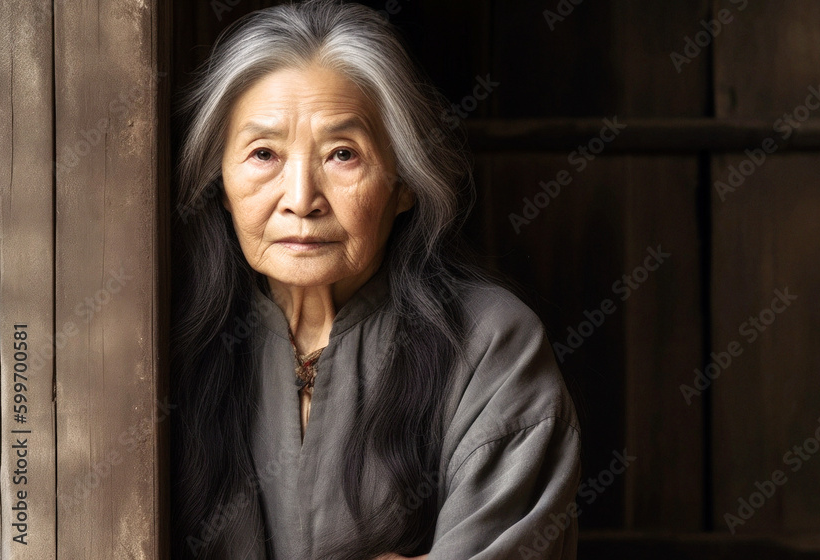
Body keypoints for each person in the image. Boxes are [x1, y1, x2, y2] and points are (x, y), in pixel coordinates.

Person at [169, 1, 581, 558]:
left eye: (343, 154)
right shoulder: (167, 346)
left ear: (405, 180)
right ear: (220, 181)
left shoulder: (490, 345)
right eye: (263, 153)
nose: (300, 200)